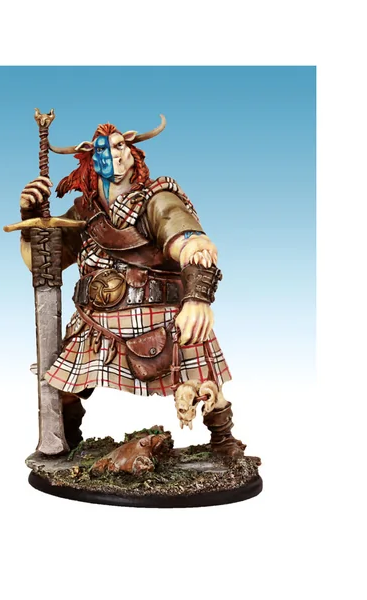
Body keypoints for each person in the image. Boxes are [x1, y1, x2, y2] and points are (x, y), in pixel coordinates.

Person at [19, 116, 237, 454]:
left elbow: (192, 244)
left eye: (120, 146)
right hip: (94, 322)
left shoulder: (157, 199)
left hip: (159, 314)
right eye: (102, 150)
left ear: (132, 152)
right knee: (61, 385)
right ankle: (65, 442)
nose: (113, 156)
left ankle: (224, 443)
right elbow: (43, 264)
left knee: (205, 386)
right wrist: (30, 220)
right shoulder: (83, 211)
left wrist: (197, 299)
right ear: (90, 159)